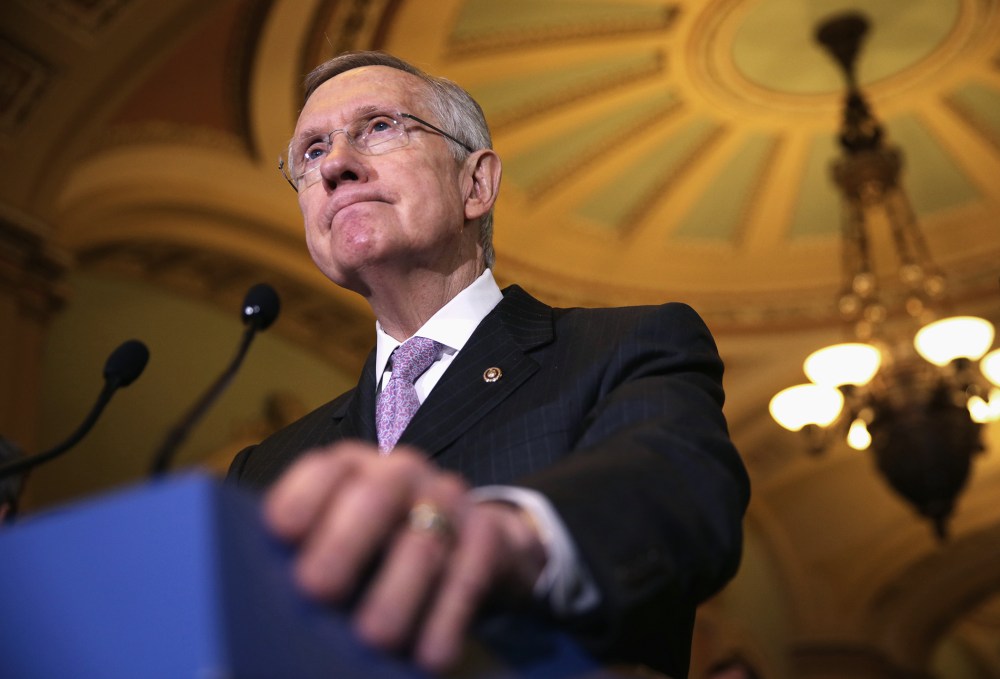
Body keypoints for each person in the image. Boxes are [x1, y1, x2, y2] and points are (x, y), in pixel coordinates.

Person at [227, 50, 750, 678]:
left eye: (379, 127)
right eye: (311, 152)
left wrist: (513, 536)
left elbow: (680, 488)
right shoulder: (266, 467)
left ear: (476, 183)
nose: (336, 164)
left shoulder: (625, 345)